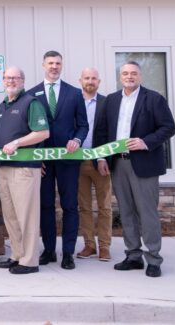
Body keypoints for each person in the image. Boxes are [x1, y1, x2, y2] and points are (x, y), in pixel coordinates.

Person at [93, 61, 175, 278]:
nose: (129, 76)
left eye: (134, 73)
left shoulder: (154, 99)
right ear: (120, 77)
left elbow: (169, 127)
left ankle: (154, 258)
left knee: (147, 212)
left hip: (144, 163)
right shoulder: (110, 100)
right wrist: (101, 157)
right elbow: (101, 131)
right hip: (118, 163)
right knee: (126, 211)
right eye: (125, 73)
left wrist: (145, 141)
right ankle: (133, 255)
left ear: (140, 76)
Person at [29, 51, 88, 270]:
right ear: (43, 65)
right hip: (43, 161)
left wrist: (77, 139)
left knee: (69, 205)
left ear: (62, 66)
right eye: (50, 63)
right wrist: (36, 155)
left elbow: (83, 124)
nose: (54, 66)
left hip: (68, 159)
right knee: (45, 206)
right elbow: (29, 128)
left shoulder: (74, 93)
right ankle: (49, 250)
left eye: (58, 63)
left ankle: (68, 253)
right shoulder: (32, 94)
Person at [0, 66, 50, 275]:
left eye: (15, 78)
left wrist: (17, 142)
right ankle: (16, 255)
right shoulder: (2, 105)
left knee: (27, 216)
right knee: (11, 216)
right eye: (7, 78)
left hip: (24, 169)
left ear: (23, 80)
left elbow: (43, 132)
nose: (11, 81)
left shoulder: (31, 103)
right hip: (4, 168)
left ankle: (29, 261)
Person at [76, 68, 111, 262]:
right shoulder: (73, 102)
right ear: (80, 80)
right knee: (84, 207)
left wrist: (103, 157)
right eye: (87, 78)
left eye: (94, 78)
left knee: (105, 206)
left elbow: (110, 132)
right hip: (79, 162)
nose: (90, 81)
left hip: (101, 161)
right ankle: (89, 244)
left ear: (99, 81)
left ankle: (105, 246)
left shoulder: (107, 103)